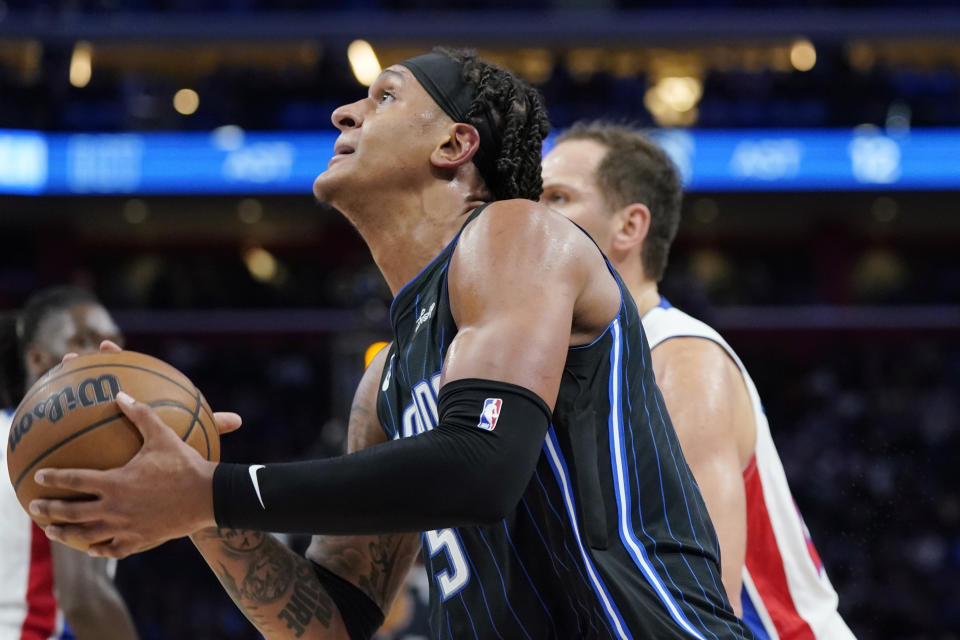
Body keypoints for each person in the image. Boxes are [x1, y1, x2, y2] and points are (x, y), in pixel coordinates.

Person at [30, 50, 753, 639]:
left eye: (383, 98)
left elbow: (481, 467)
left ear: (454, 143)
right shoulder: (385, 387)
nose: (344, 111)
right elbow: (334, 625)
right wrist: (198, 505)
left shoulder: (517, 234)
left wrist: (216, 493)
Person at [541, 123, 855, 639]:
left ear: (629, 226)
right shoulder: (574, 365)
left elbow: (705, 607)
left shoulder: (679, 358)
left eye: (558, 196)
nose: (534, 213)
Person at [0, 286, 140, 640]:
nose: (107, 355)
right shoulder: (63, 441)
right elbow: (85, 600)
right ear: (36, 359)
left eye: (115, 342)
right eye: (85, 340)